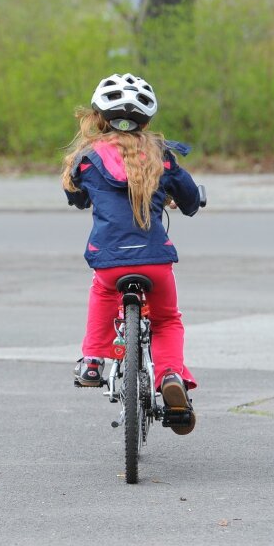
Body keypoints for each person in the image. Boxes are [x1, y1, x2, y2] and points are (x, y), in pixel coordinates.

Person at [61, 73, 203, 435]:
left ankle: (92, 361)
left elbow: (75, 196)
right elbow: (188, 200)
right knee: (167, 319)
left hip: (109, 261)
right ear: (147, 121)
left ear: (100, 118)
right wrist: (185, 199)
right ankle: (170, 374)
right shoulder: (162, 157)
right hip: (155, 262)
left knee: (101, 292)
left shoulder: (88, 158)